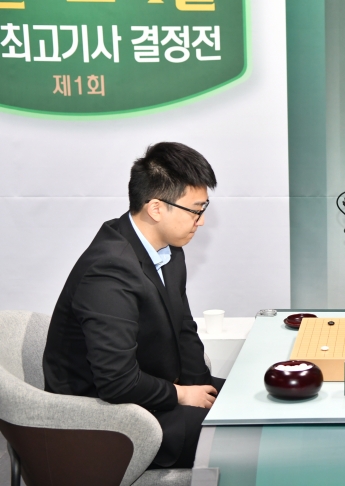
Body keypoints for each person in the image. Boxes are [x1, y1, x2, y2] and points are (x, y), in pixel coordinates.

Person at [43, 142, 224, 469]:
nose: (201, 221)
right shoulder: (108, 270)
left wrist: (202, 388)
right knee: (240, 434)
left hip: (149, 393)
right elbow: (117, 382)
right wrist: (184, 396)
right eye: (196, 210)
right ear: (156, 208)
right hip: (104, 420)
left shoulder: (168, 249)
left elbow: (184, 330)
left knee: (247, 401)